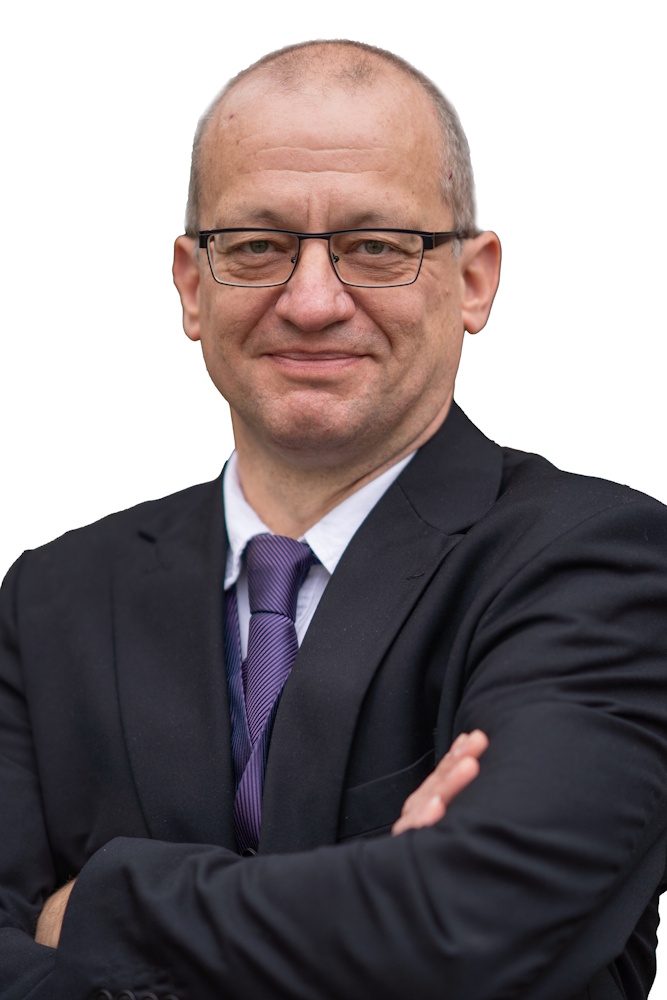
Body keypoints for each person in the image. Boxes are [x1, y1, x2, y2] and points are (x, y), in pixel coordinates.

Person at [1, 38, 666, 1000]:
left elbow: (475, 922)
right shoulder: (50, 600)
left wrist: (104, 908)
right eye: (256, 246)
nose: (312, 302)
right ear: (191, 284)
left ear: (473, 280)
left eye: (377, 247)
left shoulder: (604, 565)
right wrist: (374, 903)